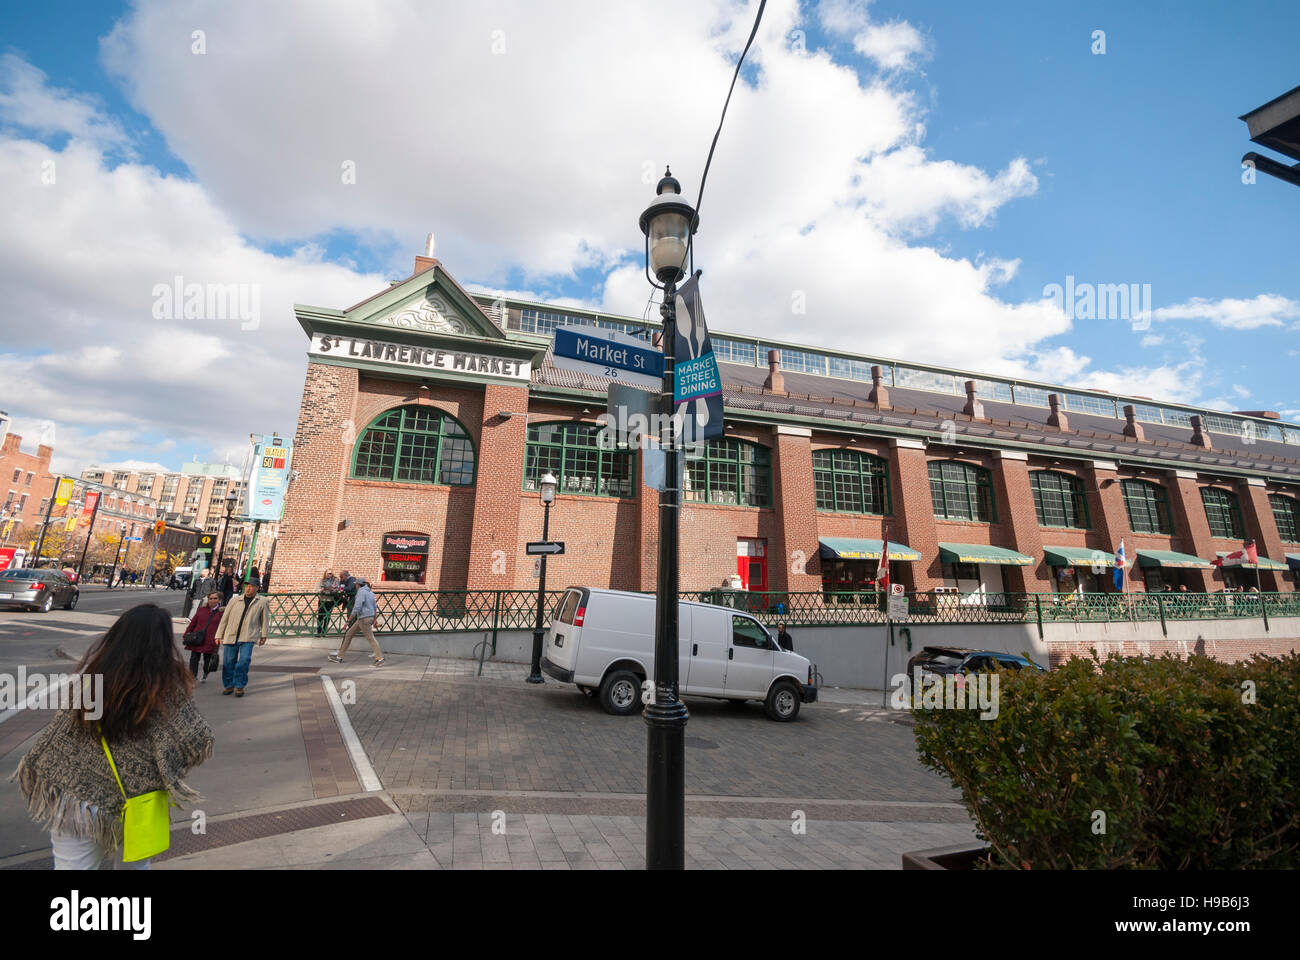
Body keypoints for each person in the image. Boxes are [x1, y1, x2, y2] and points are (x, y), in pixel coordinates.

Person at [10, 604, 215, 869]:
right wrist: (163, 770)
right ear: (164, 642)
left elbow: (63, 736)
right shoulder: (169, 687)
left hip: (76, 797)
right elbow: (195, 738)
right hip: (137, 801)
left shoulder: (92, 677)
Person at [215, 578, 270, 698]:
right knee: (228, 662)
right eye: (247, 586)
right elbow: (225, 618)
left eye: (252, 586)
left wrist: (264, 635)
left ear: (257, 588)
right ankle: (229, 685)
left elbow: (265, 620)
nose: (248, 588)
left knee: (244, 660)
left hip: (248, 636)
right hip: (231, 634)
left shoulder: (262, 601)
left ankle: (239, 685)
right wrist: (219, 634)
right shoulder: (234, 600)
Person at [329, 578, 384, 666]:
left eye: (356, 584)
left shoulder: (361, 592)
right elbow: (374, 607)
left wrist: (348, 620)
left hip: (364, 618)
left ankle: (379, 658)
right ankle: (339, 657)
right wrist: (374, 620)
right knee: (349, 634)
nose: (355, 586)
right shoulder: (370, 592)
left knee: (371, 638)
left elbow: (357, 607)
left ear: (358, 585)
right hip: (365, 618)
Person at [184, 591, 223, 683]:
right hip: (197, 638)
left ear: (219, 600)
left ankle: (205, 673)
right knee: (194, 659)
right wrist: (187, 634)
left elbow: (223, 626)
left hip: (211, 640)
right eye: (210, 598)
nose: (212, 600)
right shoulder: (201, 609)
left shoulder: (221, 612)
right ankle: (192, 677)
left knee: (207, 660)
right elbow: (193, 623)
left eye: (215, 598)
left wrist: (221, 637)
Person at [316, 570, 340, 636]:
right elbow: (317, 590)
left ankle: (324, 632)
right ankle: (319, 631)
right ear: (325, 574)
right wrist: (322, 590)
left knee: (327, 616)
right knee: (320, 616)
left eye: (331, 573)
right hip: (322, 600)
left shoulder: (335, 580)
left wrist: (331, 590)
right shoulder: (322, 580)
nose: (330, 575)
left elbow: (337, 589)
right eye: (329, 573)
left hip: (330, 600)